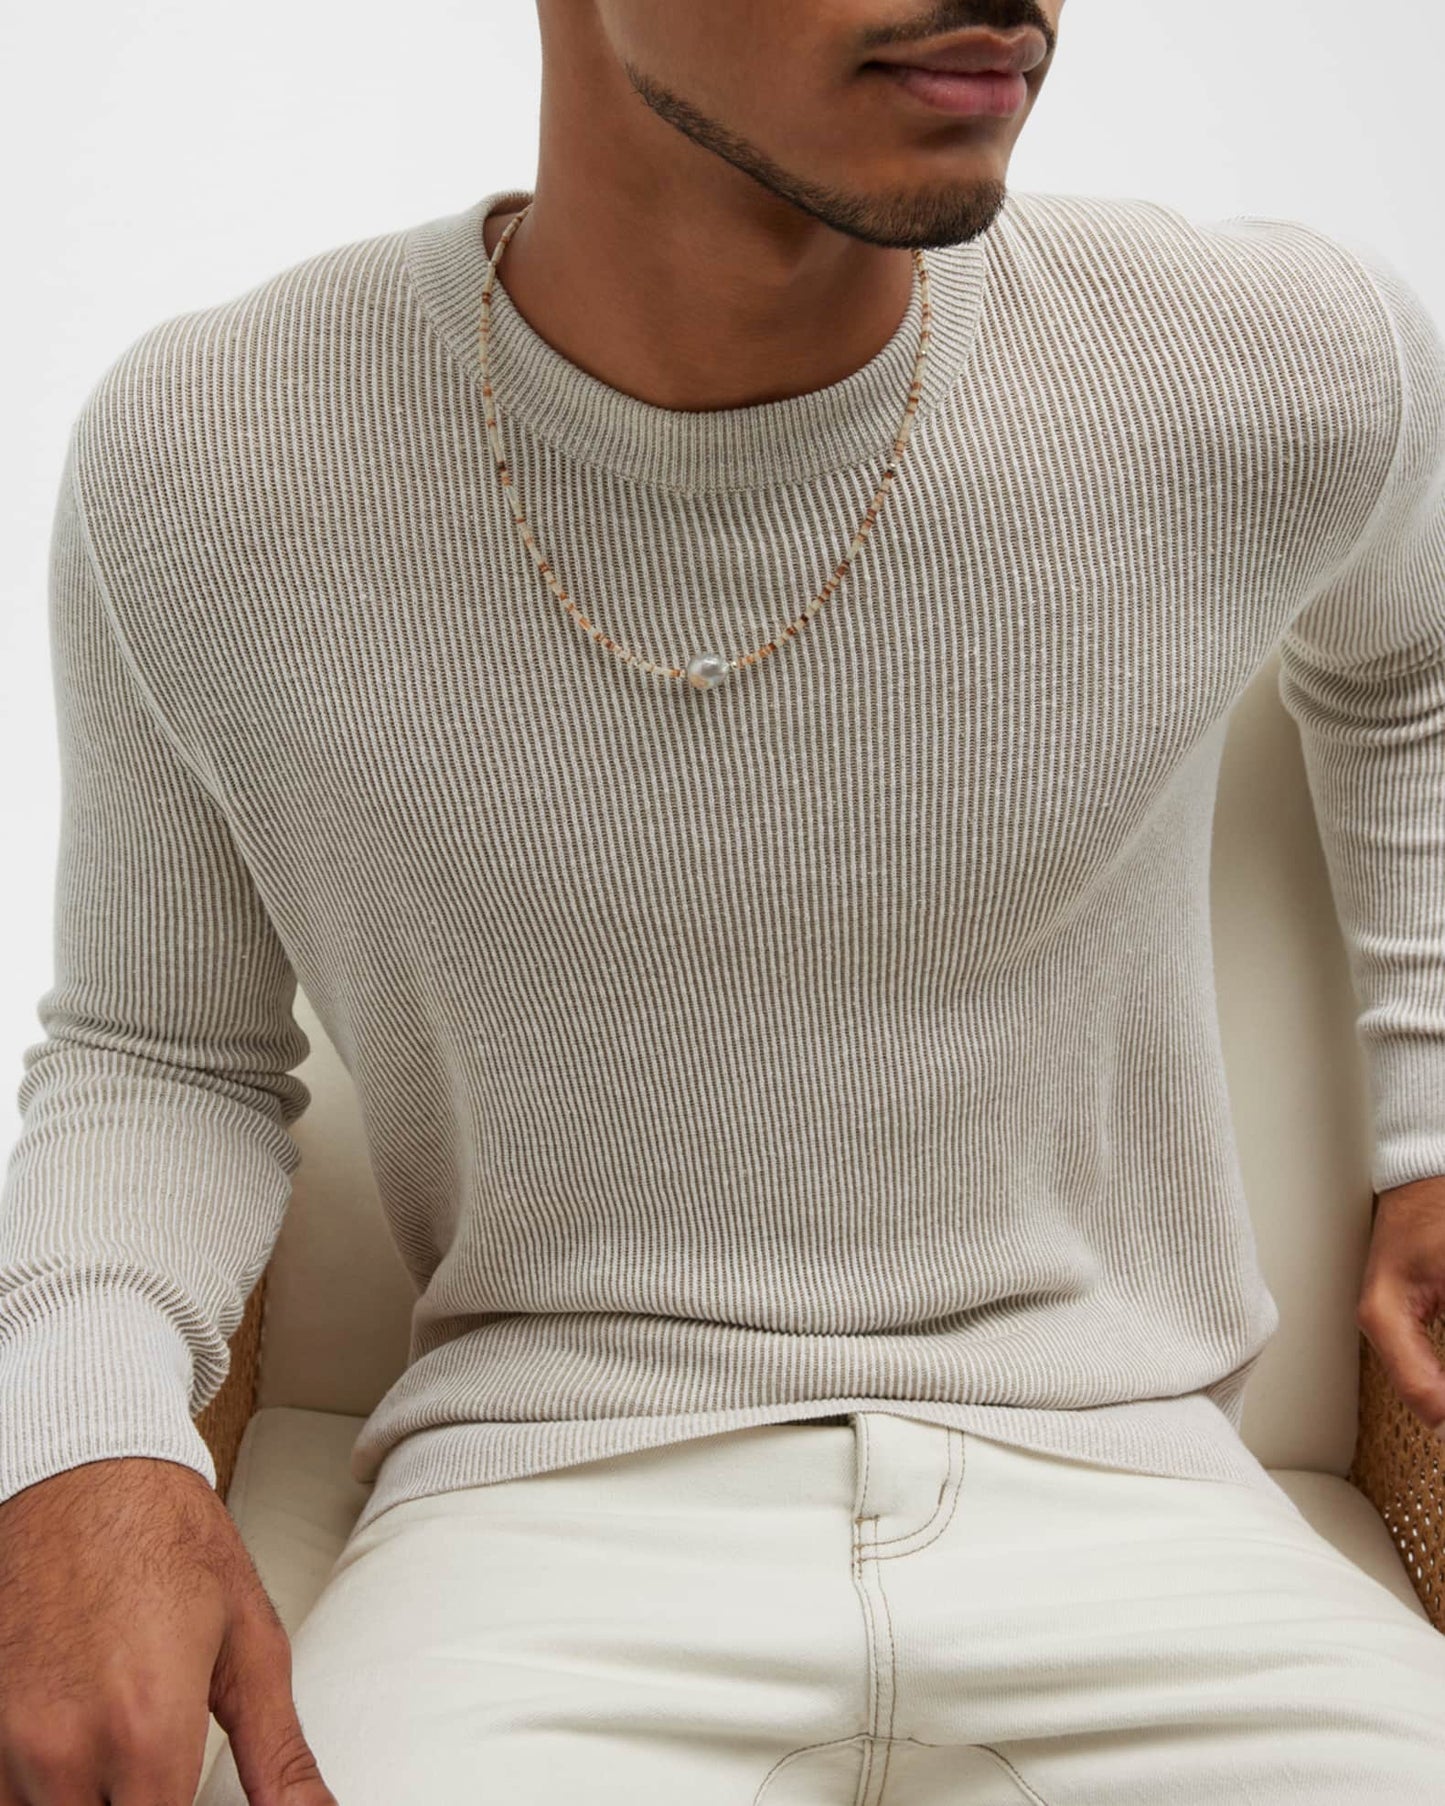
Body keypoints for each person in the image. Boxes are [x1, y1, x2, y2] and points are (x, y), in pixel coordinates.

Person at [3, 0, 1445, 1800]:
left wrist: (1431, 1112)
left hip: (1146, 1494)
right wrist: (73, 1435)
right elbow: (160, 1050)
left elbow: (1415, 665)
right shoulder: (217, 457)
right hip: (531, 1532)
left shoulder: (1261, 362)